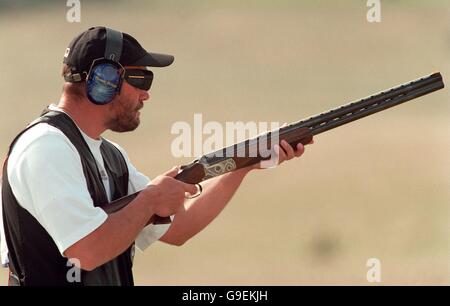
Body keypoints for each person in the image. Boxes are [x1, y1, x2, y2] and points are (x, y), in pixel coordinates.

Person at [0, 26, 312, 286]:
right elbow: (87, 250)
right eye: (140, 80)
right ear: (103, 80)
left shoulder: (110, 156)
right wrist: (150, 199)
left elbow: (180, 228)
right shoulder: (46, 147)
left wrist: (244, 166)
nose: (146, 94)